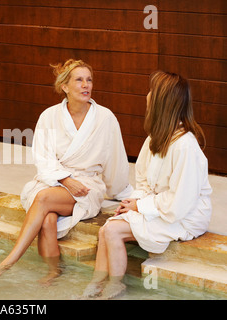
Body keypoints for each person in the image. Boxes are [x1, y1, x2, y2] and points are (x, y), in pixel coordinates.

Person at [0, 59, 132, 283]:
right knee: (48, 220)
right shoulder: (49, 116)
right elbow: (42, 158)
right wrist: (64, 179)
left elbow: (117, 160)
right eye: (79, 80)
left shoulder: (105, 118)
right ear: (65, 87)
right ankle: (54, 271)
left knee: (42, 200)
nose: (85, 85)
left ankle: (7, 263)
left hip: (86, 187)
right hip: (54, 181)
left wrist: (123, 193)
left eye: (89, 80)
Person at [83, 70, 212, 299]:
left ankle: (115, 287)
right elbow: (142, 180)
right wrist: (135, 201)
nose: (148, 95)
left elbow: (180, 203)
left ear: (162, 101)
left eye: (152, 91)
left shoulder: (185, 146)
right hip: (157, 206)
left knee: (112, 230)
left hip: (185, 215)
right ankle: (95, 284)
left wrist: (140, 207)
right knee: (107, 229)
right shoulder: (154, 138)